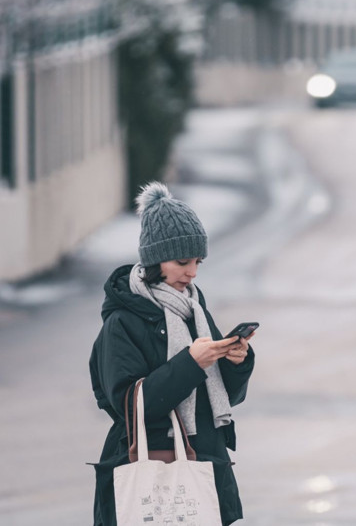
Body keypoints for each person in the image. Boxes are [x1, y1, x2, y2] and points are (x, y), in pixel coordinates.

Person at [89, 182, 255, 525]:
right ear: (154, 259)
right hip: (153, 476)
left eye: (198, 261)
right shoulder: (122, 321)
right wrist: (191, 363)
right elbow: (129, 406)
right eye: (182, 261)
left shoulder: (192, 309)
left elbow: (222, 399)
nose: (192, 272)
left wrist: (237, 363)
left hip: (204, 467)